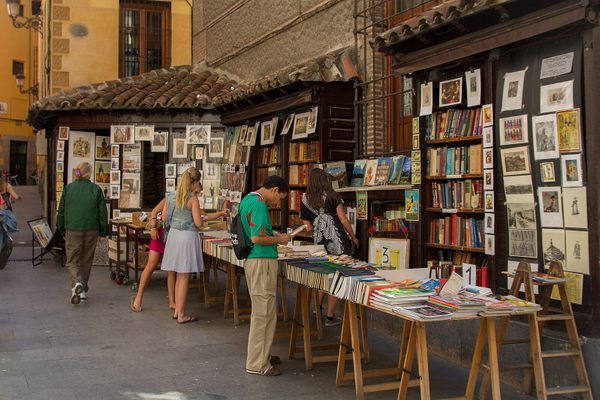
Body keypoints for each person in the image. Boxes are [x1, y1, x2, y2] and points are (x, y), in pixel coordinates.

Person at [240, 176, 291, 376]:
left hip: (253, 260)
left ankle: (262, 355)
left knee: (262, 311)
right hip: (261, 261)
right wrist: (280, 239)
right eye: (280, 198)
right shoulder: (260, 204)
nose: (278, 203)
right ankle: (258, 363)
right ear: (275, 190)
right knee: (264, 313)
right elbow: (257, 237)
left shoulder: (248, 199)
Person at [301, 168, 359, 326]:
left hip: (319, 241)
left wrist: (316, 225)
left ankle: (318, 307)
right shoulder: (333, 196)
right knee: (339, 274)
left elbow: (307, 225)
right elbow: (343, 219)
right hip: (337, 239)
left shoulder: (305, 198)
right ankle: (330, 316)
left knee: (325, 273)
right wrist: (353, 237)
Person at [57, 162, 108, 304]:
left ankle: (77, 283)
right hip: (92, 229)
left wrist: (61, 228)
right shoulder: (96, 189)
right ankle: (82, 289)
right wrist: (103, 232)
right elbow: (102, 212)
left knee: (72, 260)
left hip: (72, 228)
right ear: (89, 174)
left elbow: (61, 211)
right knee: (86, 260)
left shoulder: (69, 189)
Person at [160, 167, 205, 323]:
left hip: (174, 236)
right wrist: (203, 223)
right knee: (184, 276)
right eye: (198, 182)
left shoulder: (171, 196)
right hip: (187, 237)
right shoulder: (193, 199)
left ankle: (177, 311)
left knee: (179, 275)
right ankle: (181, 315)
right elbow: (198, 223)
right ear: (194, 183)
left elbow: (164, 217)